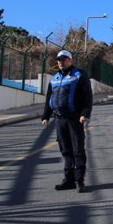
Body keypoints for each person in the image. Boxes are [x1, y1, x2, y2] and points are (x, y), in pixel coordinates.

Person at [41, 49, 93, 193]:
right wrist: (46, 116)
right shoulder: (55, 78)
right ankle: (68, 180)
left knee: (78, 150)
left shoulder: (79, 75)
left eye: (63, 59)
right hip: (59, 120)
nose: (61, 62)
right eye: (59, 60)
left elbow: (88, 96)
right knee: (65, 150)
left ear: (70, 60)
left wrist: (85, 113)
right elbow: (49, 99)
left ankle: (79, 180)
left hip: (74, 119)